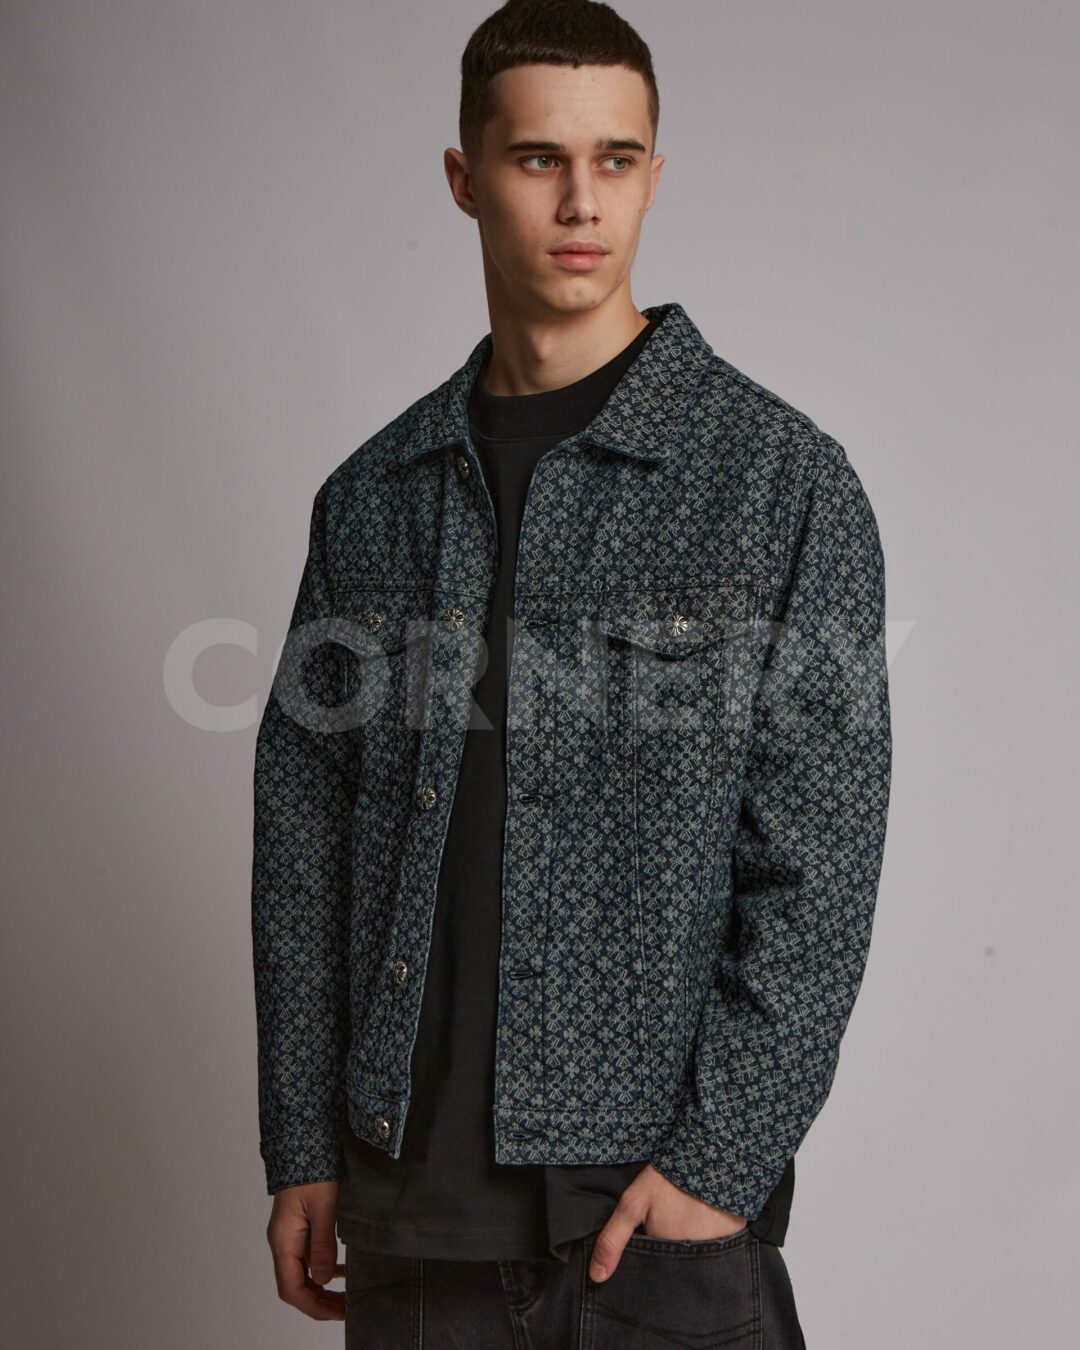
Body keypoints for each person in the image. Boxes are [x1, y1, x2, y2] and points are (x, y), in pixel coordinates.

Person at [250, 1, 891, 1344]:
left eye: (617, 158)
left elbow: (820, 860)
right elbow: (304, 838)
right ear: (465, 177)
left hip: (649, 1222)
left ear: (655, 175)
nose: (582, 200)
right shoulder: (372, 497)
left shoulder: (778, 483)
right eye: (540, 157)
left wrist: (721, 1161)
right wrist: (300, 1139)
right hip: (408, 1220)